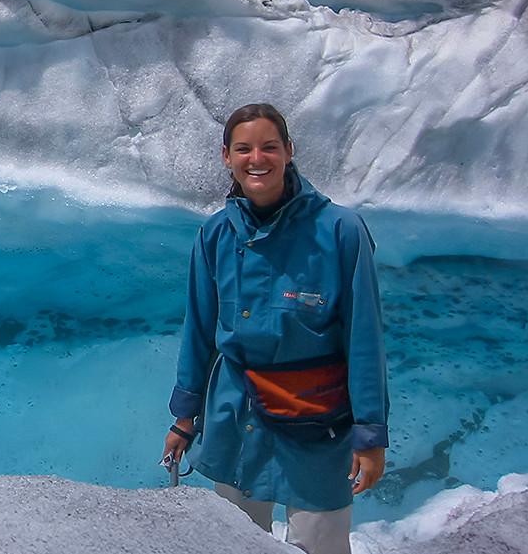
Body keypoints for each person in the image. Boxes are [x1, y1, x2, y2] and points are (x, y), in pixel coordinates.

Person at [162, 103, 388, 554]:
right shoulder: (214, 235)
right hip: (236, 414)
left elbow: (364, 337)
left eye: (269, 147)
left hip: (317, 419)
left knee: (318, 545)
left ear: (289, 151)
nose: (257, 159)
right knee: (238, 543)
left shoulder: (340, 230)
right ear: (227, 157)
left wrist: (370, 434)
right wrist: (184, 417)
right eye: (243, 149)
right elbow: (199, 333)